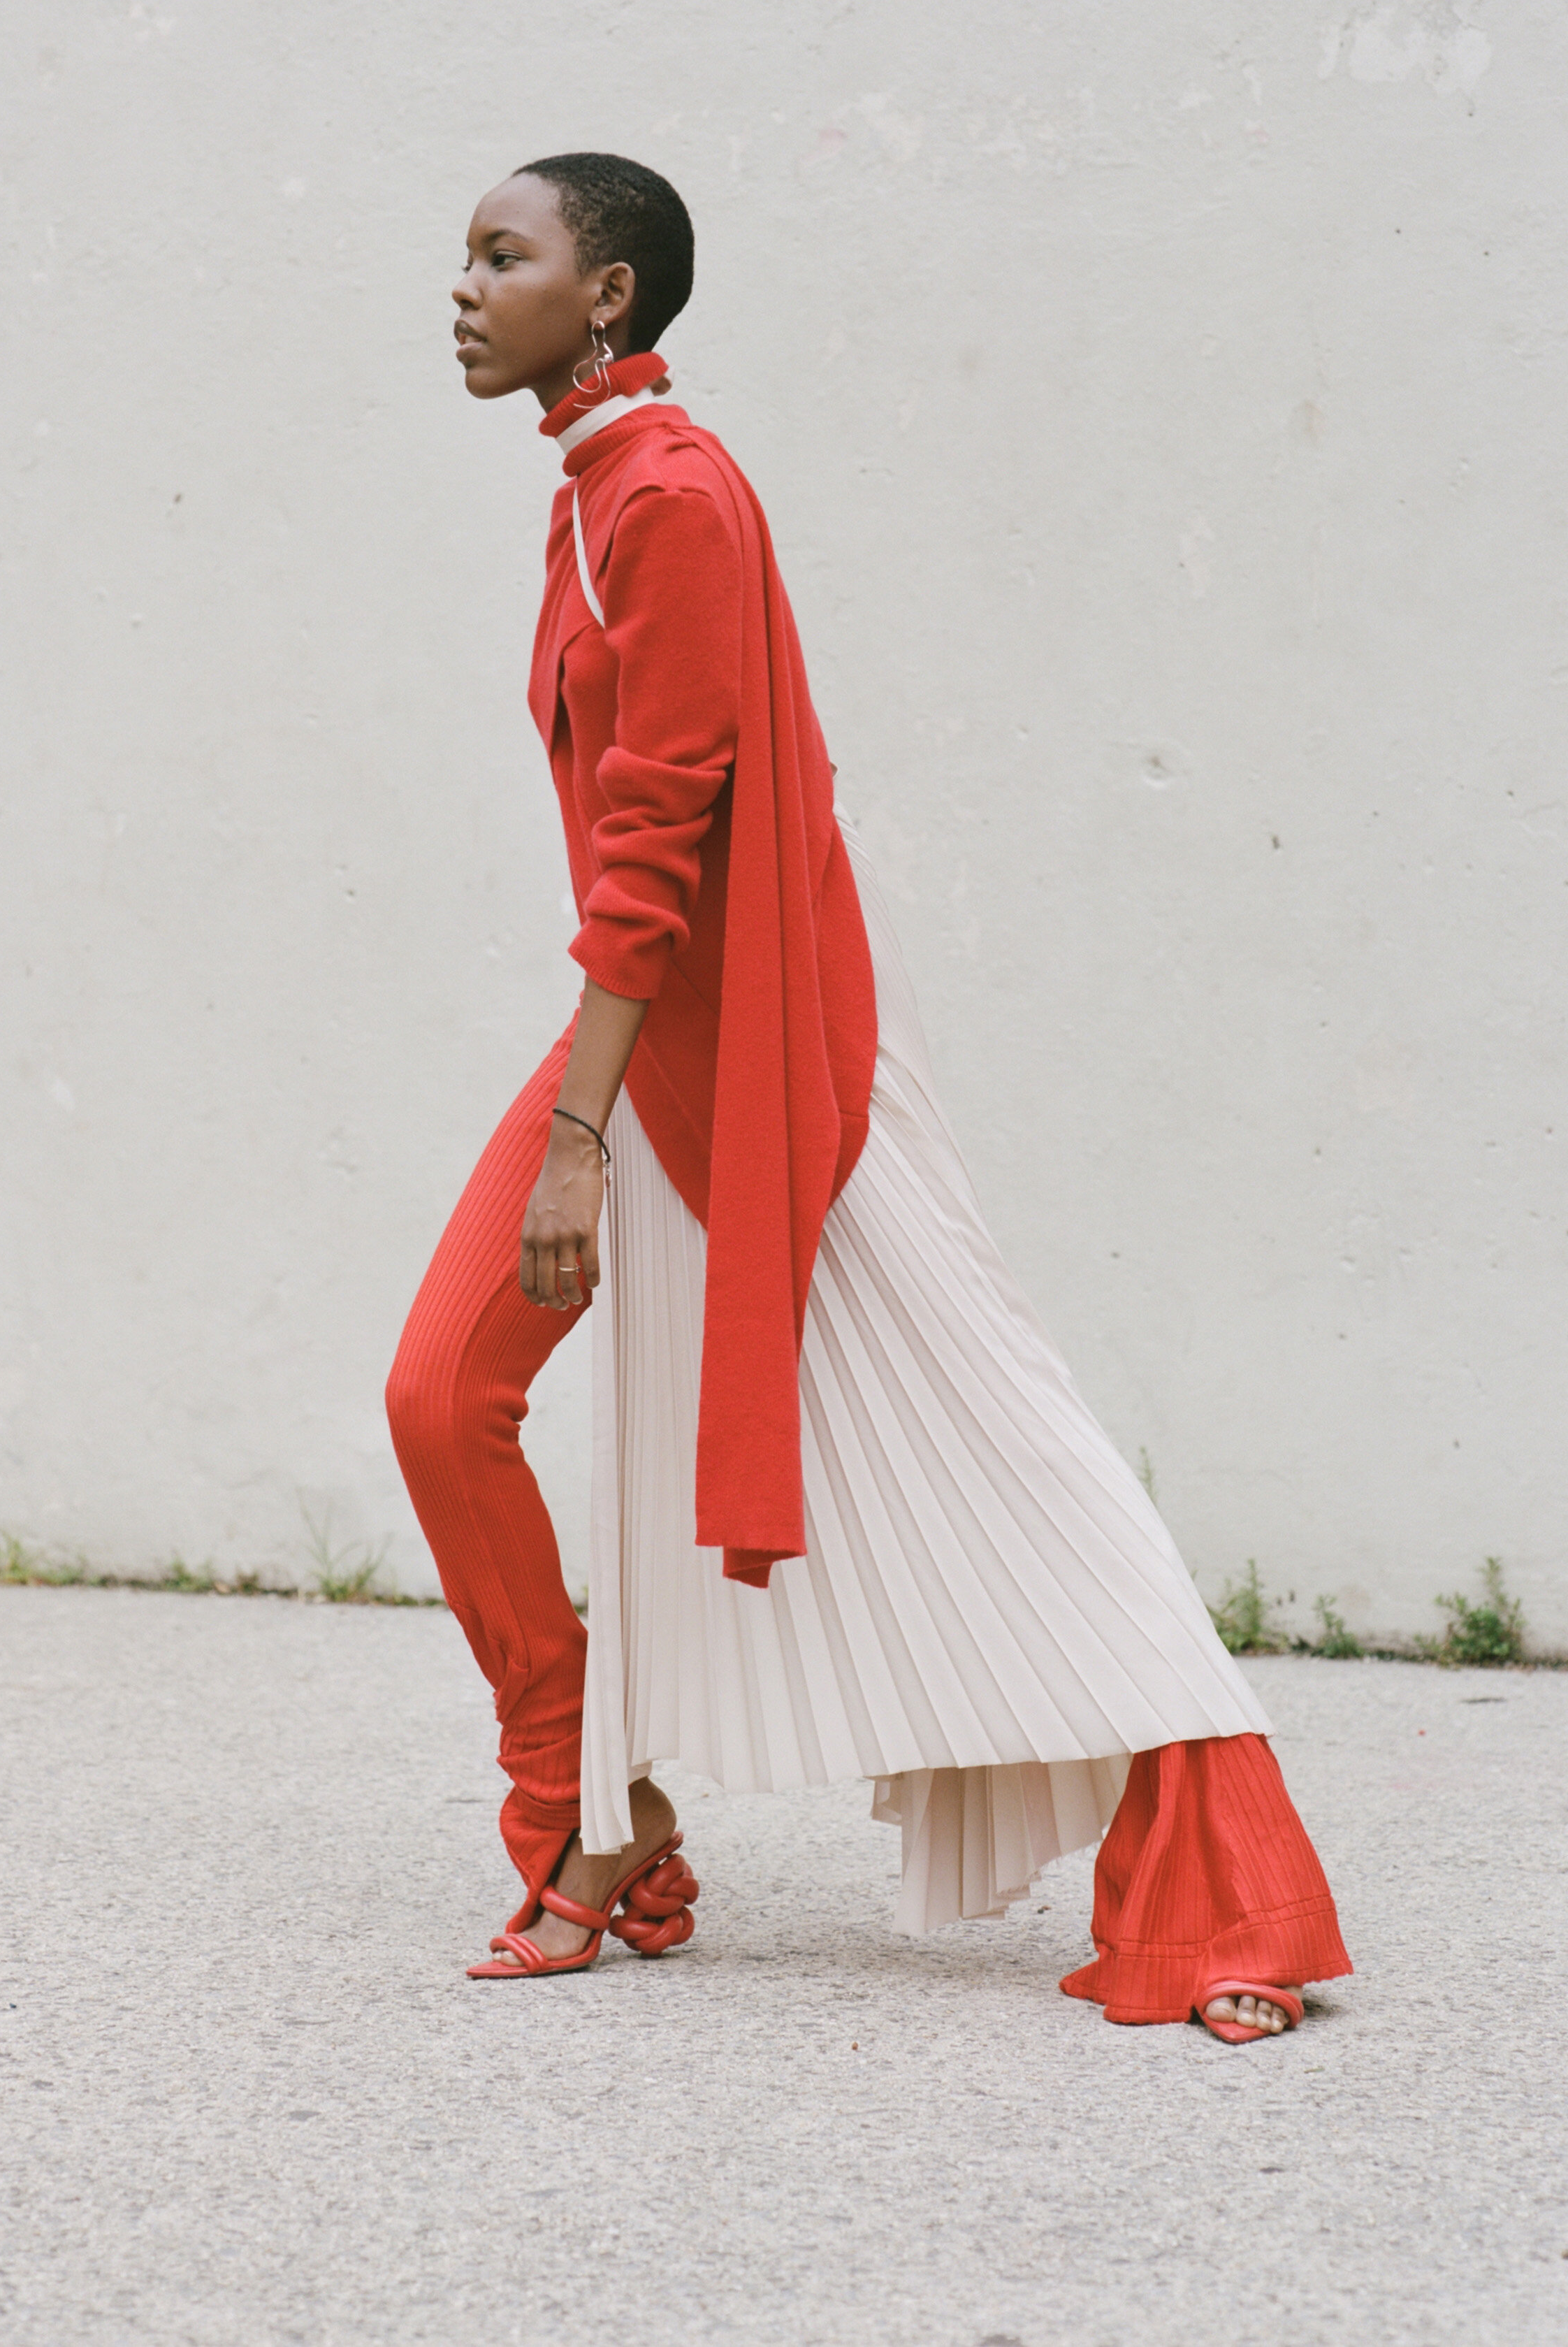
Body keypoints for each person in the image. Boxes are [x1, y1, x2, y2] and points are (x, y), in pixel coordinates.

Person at [386, 152, 1351, 2039]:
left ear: (607, 294)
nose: (464, 287)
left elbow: (655, 846)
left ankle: (1231, 1897)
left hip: (762, 1075)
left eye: (504, 255)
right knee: (441, 1393)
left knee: (1010, 1452)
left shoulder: (671, 498)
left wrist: (577, 1137)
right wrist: (592, 1104)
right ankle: (591, 1806)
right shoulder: (599, 490)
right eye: (467, 256)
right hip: (649, 1043)